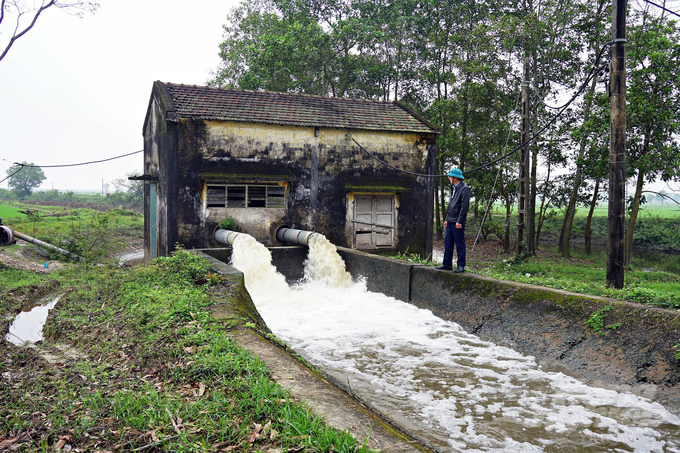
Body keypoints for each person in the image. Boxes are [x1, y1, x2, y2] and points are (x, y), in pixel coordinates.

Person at [436, 168, 470, 273]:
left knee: (459, 243)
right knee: (448, 243)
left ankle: (461, 265)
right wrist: (446, 219)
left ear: (455, 178)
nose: (449, 178)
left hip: (457, 221)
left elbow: (464, 207)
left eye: (450, 176)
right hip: (450, 220)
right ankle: (447, 264)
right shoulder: (453, 188)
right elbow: (451, 205)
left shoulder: (464, 188)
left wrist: (459, 221)